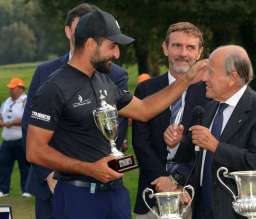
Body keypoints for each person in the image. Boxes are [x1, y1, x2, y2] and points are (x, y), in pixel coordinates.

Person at [26, 9, 207, 219]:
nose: (117, 54)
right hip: (79, 196)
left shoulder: (104, 80)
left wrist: (186, 80)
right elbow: (34, 151)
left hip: (115, 194)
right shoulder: (54, 88)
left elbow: (145, 110)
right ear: (91, 44)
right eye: (112, 46)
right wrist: (89, 169)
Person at [21, 3, 129, 219]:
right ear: (69, 31)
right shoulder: (45, 73)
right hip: (53, 182)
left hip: (104, 187)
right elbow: (29, 128)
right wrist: (51, 174)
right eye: (81, 27)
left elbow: (120, 123)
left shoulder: (112, 73)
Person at [165, 45, 256, 219]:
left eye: (211, 72)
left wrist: (215, 146)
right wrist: (177, 143)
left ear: (233, 77)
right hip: (201, 209)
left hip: (237, 212)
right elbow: (196, 157)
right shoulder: (209, 107)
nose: (204, 79)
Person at [132, 22, 207, 219]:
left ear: (199, 52)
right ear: (165, 48)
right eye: (177, 46)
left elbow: (207, 146)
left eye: (190, 47)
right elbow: (140, 143)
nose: (183, 53)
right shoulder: (146, 90)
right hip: (151, 194)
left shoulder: (210, 92)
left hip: (193, 197)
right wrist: (163, 180)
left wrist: (176, 180)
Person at [0, 78, 30, 198]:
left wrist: (13, 122)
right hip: (7, 140)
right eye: (10, 88)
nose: (11, 90)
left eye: (13, 88)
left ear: (21, 88)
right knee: (4, 165)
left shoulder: (26, 101)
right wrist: (2, 122)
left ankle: (26, 190)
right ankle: (3, 189)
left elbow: (27, 119)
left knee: (24, 166)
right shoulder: (6, 101)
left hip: (21, 139)